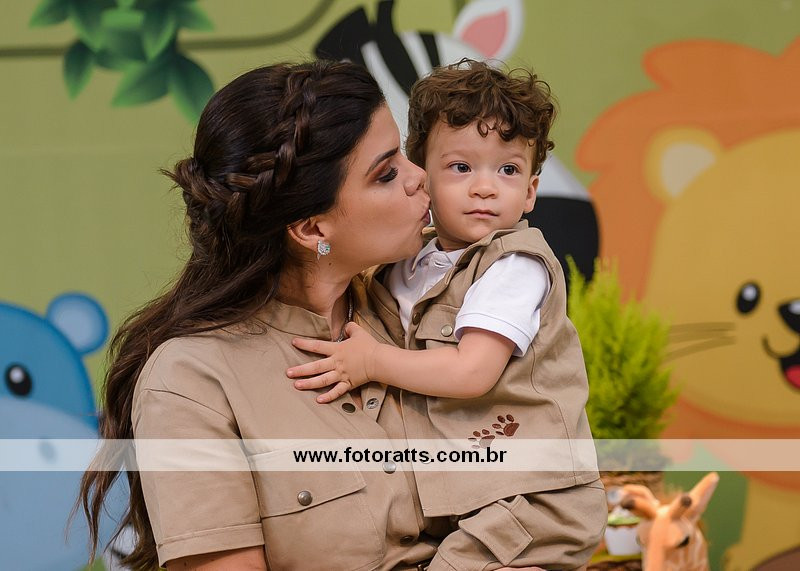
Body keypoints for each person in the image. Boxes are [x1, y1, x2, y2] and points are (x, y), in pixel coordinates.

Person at [78, 60, 452, 570]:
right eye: (386, 174)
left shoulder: (435, 309)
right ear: (312, 229)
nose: (420, 176)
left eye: (404, 156)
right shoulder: (190, 381)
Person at [288, 59, 607, 570]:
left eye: (508, 170)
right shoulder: (406, 264)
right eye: (461, 168)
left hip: (532, 500)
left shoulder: (514, 266)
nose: (485, 187)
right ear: (422, 177)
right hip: (469, 501)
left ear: (530, 191)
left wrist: (371, 362)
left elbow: (471, 370)